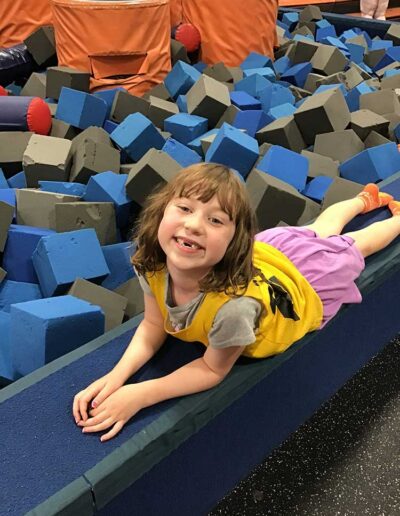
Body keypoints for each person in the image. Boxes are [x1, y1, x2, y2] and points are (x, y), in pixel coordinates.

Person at [73, 163, 400, 441]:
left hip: (301, 282)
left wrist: (140, 394)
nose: (193, 224)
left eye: (215, 220)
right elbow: (154, 324)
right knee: (318, 229)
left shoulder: (234, 309)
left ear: (233, 242)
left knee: (352, 244)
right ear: (160, 213)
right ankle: (363, 199)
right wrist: (116, 377)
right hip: (268, 252)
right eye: (184, 208)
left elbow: (212, 369)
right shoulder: (153, 263)